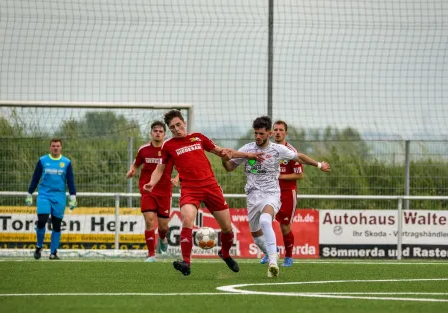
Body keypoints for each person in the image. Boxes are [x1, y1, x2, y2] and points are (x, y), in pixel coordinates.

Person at [143, 109, 263, 276]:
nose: (177, 129)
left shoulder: (198, 137)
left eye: (178, 125)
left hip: (211, 187)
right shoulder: (168, 145)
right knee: (187, 219)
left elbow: (222, 151)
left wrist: (248, 154)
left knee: (227, 228)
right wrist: (151, 183)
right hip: (190, 189)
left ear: (184, 123)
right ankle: (186, 262)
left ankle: (225, 254)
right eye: (172, 128)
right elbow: (160, 168)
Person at [221, 116, 330, 278]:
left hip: (271, 194)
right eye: (256, 133)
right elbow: (229, 167)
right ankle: (273, 252)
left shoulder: (277, 150)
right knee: (257, 239)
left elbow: (298, 156)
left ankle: (273, 263)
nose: (258, 137)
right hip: (252, 197)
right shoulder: (247, 149)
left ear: (269, 134)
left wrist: (319, 165)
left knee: (266, 220)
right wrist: (224, 159)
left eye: (261, 134)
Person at [258, 119, 320, 267]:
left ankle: (289, 257)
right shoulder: (266, 149)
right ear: (271, 133)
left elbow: (299, 175)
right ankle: (270, 252)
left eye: (281, 130)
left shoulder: (290, 152)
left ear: (285, 133)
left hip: (286, 193)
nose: (278, 133)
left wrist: (280, 176)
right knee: (263, 222)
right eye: (276, 130)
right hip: (269, 191)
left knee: (285, 226)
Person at [127, 121, 179, 262]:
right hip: (147, 190)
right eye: (155, 130)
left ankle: (162, 238)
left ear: (164, 134)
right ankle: (151, 254)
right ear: (151, 133)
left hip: (164, 192)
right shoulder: (143, 150)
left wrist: (177, 178)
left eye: (160, 131)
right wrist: (132, 170)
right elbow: (136, 164)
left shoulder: (170, 149)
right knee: (149, 220)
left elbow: (182, 165)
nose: (157, 133)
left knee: (163, 227)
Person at [26, 138, 77, 260]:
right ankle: (39, 246)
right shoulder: (43, 161)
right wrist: (29, 193)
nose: (56, 148)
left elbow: (70, 181)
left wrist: (73, 197)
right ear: (50, 147)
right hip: (44, 195)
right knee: (42, 220)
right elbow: (35, 178)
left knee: (57, 225)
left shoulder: (66, 162)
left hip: (59, 197)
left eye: (58, 146)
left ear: (61, 147)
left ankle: (53, 253)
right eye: (53, 146)